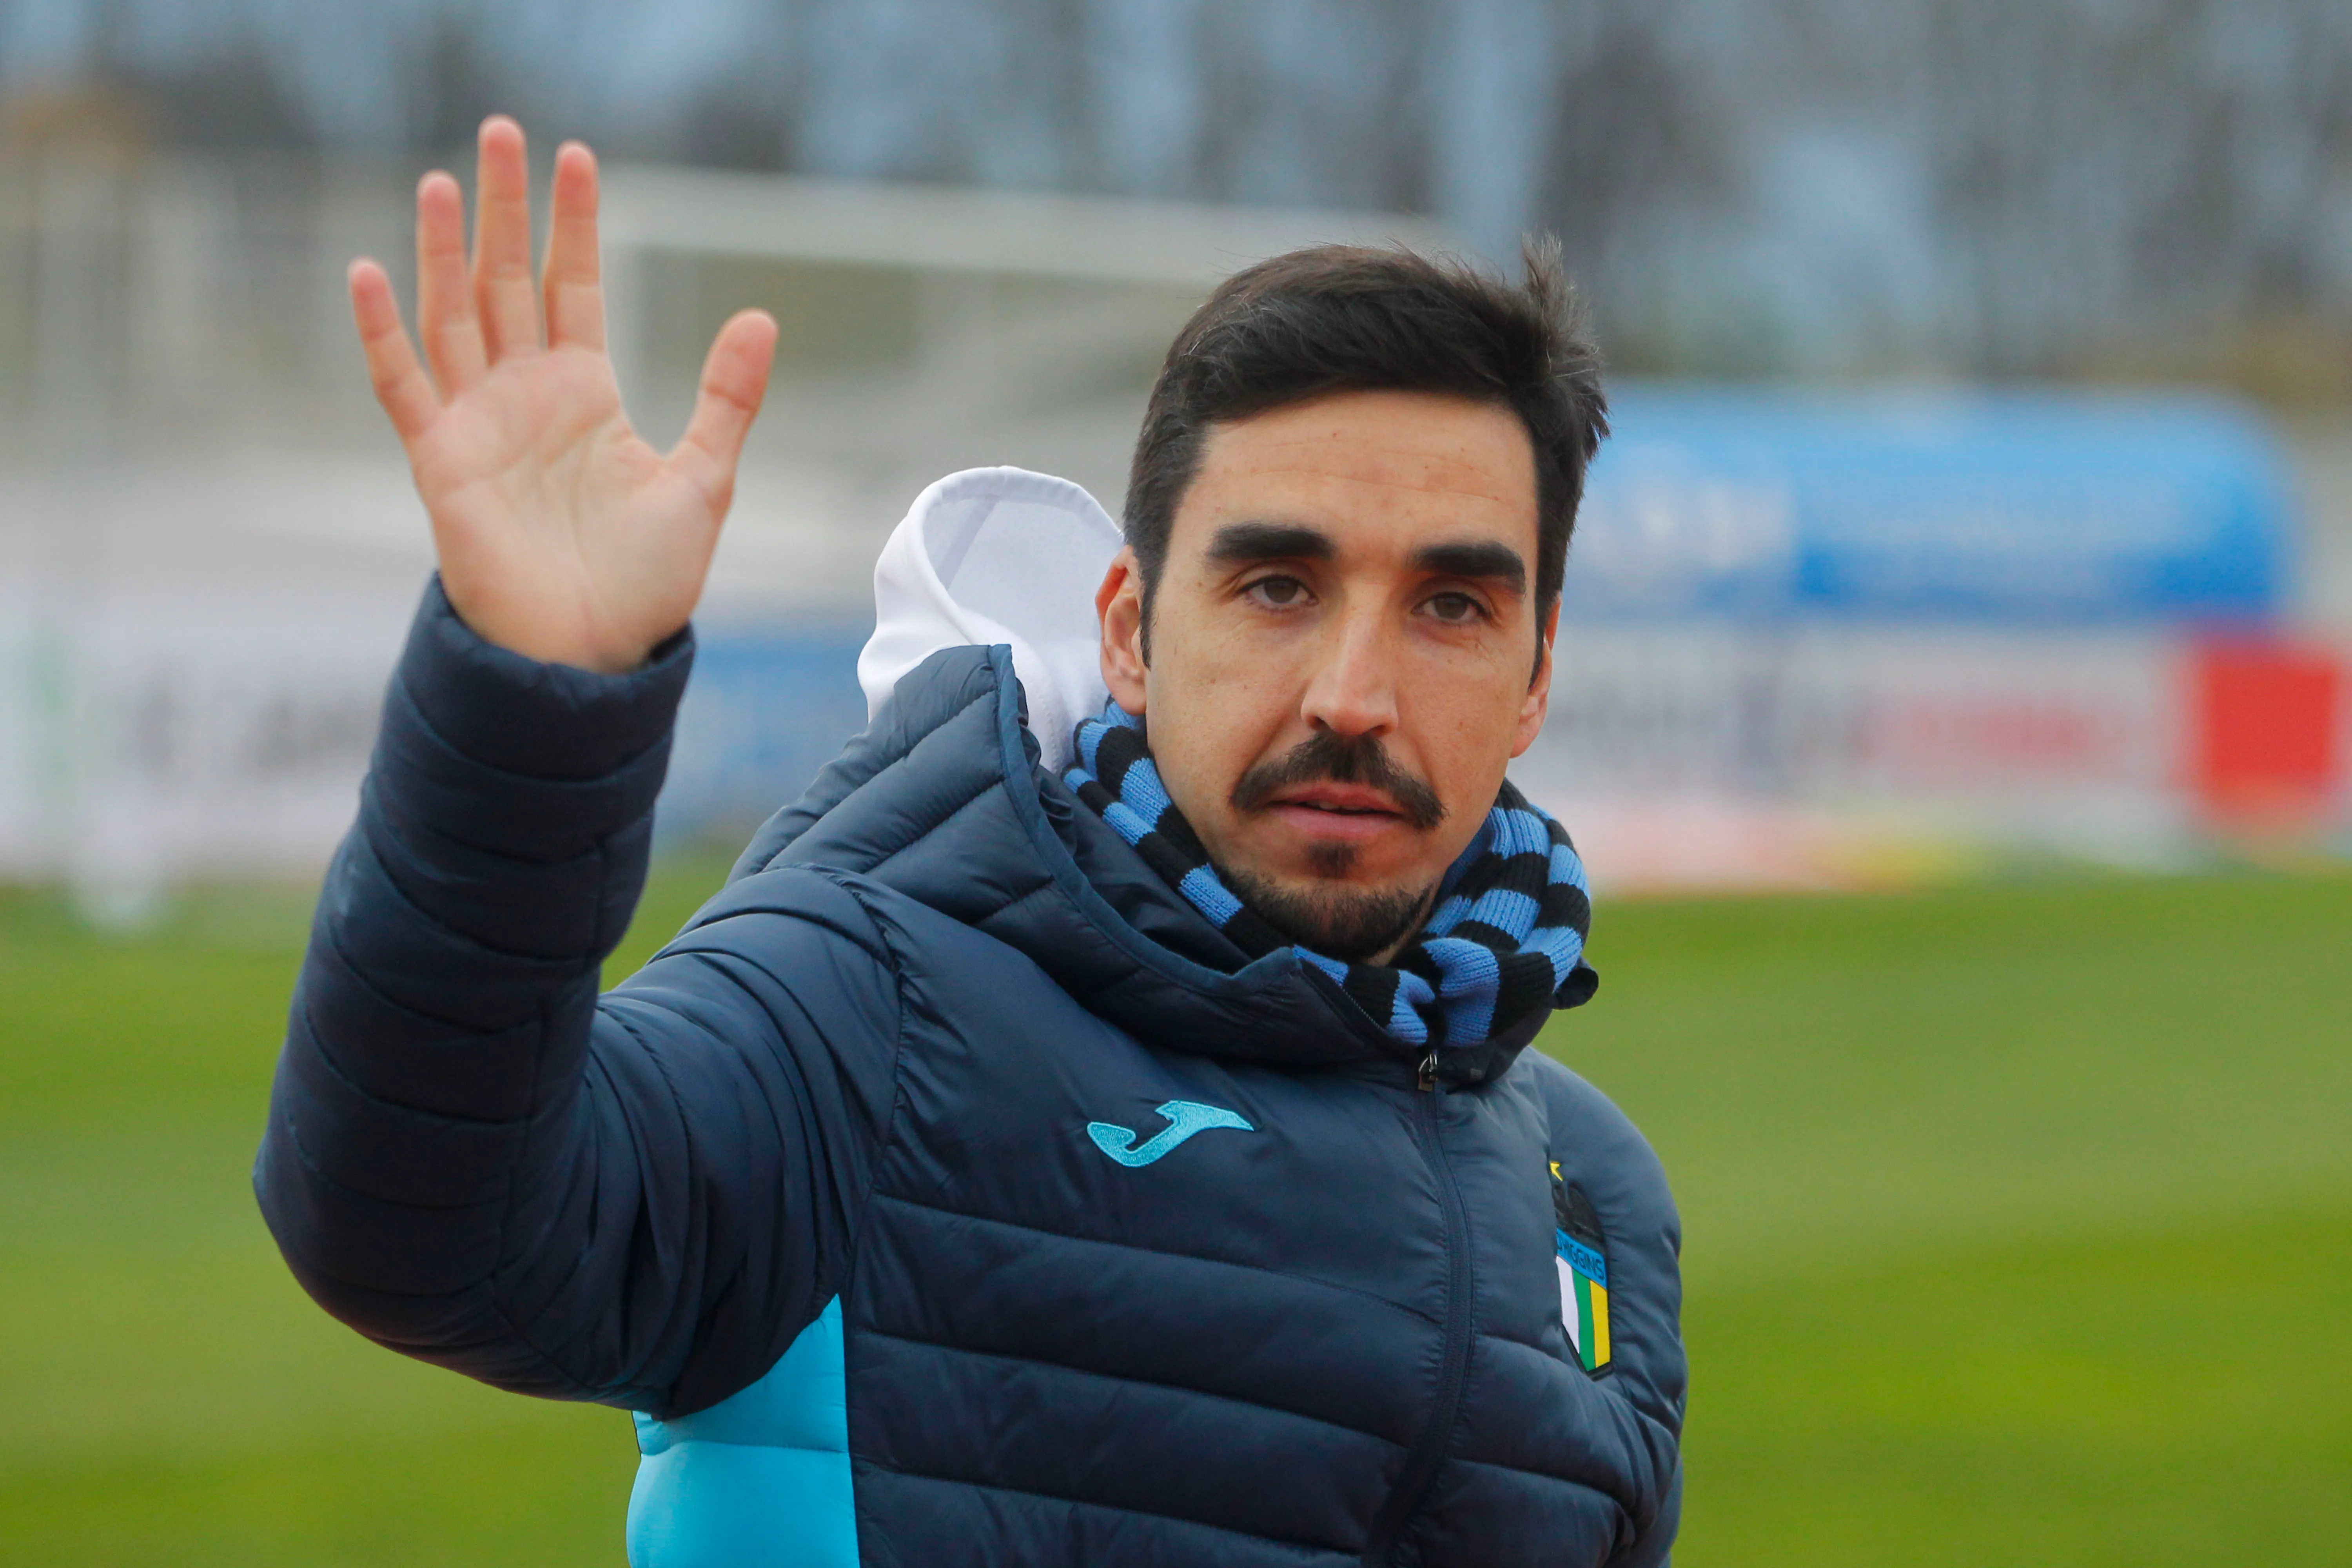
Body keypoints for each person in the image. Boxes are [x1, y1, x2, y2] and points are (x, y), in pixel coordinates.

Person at [257, 115, 1685, 1568]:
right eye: (1275, 587)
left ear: (1538, 672)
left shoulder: (1593, 1194)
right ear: (1128, 630)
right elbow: (425, 1230)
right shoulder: (869, 1010)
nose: (1354, 699)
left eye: (1451, 607)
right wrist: (525, 711)